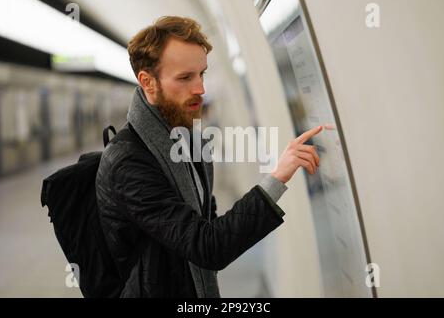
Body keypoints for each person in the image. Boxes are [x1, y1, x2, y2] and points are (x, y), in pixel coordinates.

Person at [95, 16, 322, 298]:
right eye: (185, 77)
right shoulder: (128, 161)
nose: (200, 88)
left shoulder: (188, 135)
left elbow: (206, 218)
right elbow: (207, 246)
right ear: (148, 82)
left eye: (201, 74)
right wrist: (277, 178)